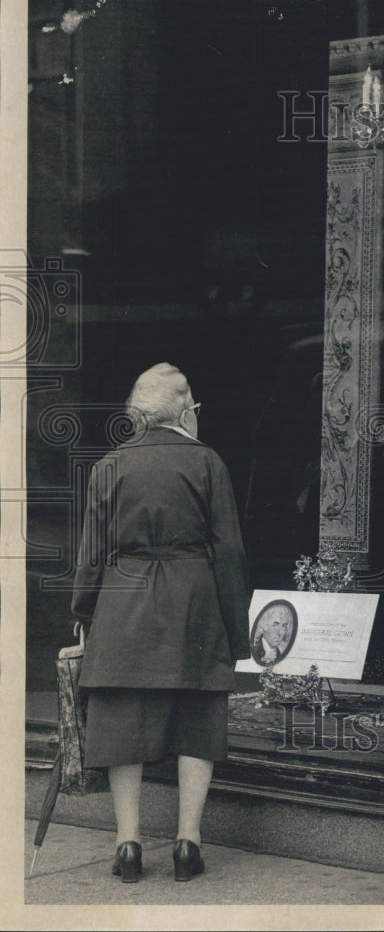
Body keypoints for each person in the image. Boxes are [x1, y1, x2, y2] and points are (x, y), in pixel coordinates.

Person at [71, 363, 251, 882]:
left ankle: (128, 846)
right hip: (194, 608)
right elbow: (230, 552)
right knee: (197, 720)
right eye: (194, 406)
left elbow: (92, 554)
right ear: (184, 413)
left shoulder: (109, 465)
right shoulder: (208, 463)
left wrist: (85, 612)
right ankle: (187, 845)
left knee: (120, 721)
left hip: (122, 607)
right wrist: (236, 631)